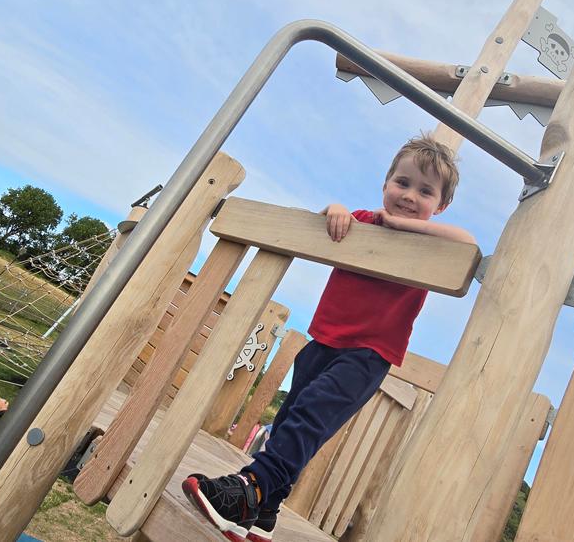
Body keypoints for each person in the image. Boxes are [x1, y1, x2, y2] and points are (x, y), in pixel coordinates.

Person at [182, 134, 474, 541]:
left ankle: (251, 489)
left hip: (369, 354)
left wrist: (401, 225)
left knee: (310, 416)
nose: (409, 196)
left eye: (425, 192)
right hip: (322, 342)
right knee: (288, 420)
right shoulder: (361, 222)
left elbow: (469, 244)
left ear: (440, 207)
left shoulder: (432, 243)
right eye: (402, 183)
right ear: (386, 182)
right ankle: (264, 514)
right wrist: (335, 209)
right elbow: (330, 217)